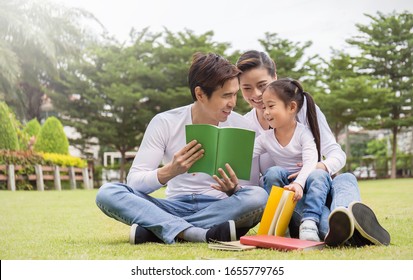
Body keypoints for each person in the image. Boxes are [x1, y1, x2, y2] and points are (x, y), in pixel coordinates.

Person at [95, 52, 268, 245]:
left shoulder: (242, 126)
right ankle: (198, 233)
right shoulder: (165, 122)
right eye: (226, 95)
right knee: (108, 193)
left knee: (259, 196)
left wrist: (232, 190)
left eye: (235, 94)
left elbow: (249, 190)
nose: (233, 103)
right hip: (172, 206)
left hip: (220, 207)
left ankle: (161, 231)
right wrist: (169, 171)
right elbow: (134, 182)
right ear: (200, 94)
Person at [236, 50, 390, 247]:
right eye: (247, 88)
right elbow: (252, 180)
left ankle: (345, 218)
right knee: (318, 219)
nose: (256, 95)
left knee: (347, 178)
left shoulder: (303, 108)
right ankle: (343, 230)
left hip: (319, 186)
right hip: (292, 198)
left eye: (262, 85)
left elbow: (336, 153)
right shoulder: (247, 125)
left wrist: (319, 167)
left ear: (275, 78)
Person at [253, 78, 329, 242]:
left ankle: (310, 222)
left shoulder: (303, 133)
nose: (265, 112)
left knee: (319, 175)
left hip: (307, 186)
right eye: (264, 107)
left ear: (292, 107)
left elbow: (310, 161)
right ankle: (280, 223)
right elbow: (245, 153)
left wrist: (299, 183)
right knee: (273, 172)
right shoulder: (265, 138)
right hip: (288, 188)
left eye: (271, 106)